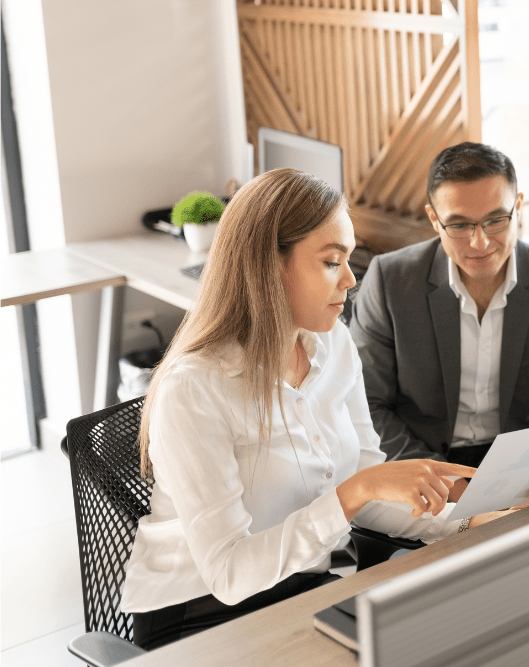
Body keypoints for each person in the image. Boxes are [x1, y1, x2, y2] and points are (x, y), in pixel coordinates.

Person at [121, 169, 509, 650]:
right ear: (268, 267)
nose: (350, 278)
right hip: (199, 615)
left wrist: (469, 521)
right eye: (331, 261)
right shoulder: (194, 388)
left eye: (349, 259)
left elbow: (370, 481)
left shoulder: (333, 343)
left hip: (305, 586)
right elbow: (229, 573)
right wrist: (353, 493)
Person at [349, 142, 529, 500]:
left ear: (517, 207)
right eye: (459, 224)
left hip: (526, 465)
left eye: (495, 220)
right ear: (434, 219)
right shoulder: (389, 281)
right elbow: (367, 404)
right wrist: (449, 485)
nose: (480, 241)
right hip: (421, 463)